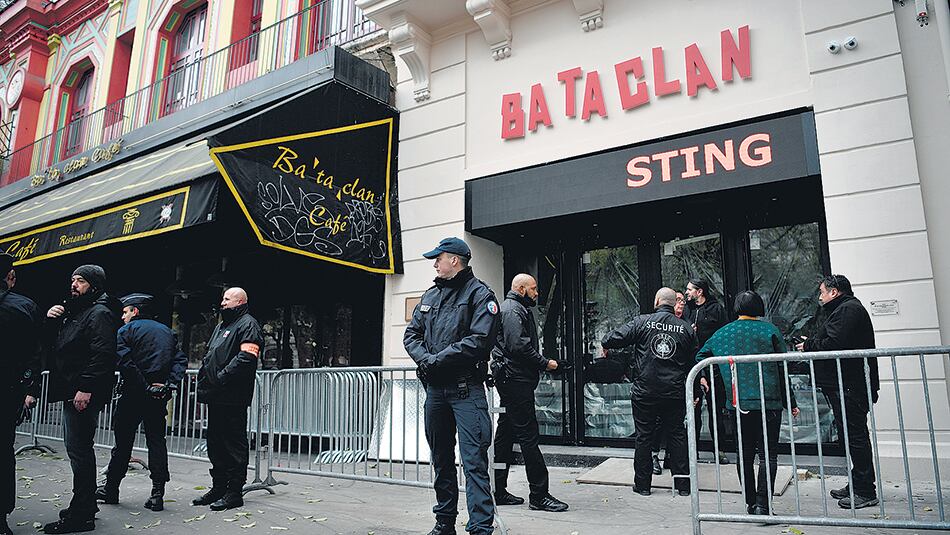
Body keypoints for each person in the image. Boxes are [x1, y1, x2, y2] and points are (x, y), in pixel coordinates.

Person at [404, 237, 500, 535]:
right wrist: (427, 360)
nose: (435, 263)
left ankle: (481, 527)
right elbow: (411, 335)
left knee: (473, 463)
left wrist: (435, 361)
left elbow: (478, 342)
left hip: (466, 390)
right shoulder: (431, 295)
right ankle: (444, 522)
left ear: (455, 260)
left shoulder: (480, 295)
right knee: (441, 461)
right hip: (435, 392)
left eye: (439, 258)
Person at [696, 291, 800, 516]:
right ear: (759, 307)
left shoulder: (722, 333)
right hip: (769, 402)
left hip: (737, 403)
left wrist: (709, 375)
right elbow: (783, 368)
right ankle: (764, 505)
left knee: (743, 455)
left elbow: (700, 355)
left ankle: (750, 503)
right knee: (768, 454)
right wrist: (790, 400)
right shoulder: (770, 330)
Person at [43, 265, 121, 534]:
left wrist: (85, 388)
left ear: (95, 285)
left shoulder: (99, 313)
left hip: (81, 392)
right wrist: (54, 318)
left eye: (81, 281)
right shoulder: (79, 311)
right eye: (72, 279)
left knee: (79, 451)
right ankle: (86, 506)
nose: (74, 284)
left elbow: (102, 354)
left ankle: (82, 513)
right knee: (78, 449)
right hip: (72, 389)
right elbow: (57, 345)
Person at [601, 287, 697, 496]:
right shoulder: (686, 328)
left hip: (646, 390)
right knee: (677, 435)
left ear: (657, 301)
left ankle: (643, 486)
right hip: (674, 391)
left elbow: (613, 338)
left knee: (644, 437)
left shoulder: (642, 322)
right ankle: (683, 486)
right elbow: (693, 362)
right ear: (673, 304)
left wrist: (605, 342)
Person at [96, 294, 187, 511]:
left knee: (123, 444)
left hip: (132, 394)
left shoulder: (126, 331)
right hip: (157, 395)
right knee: (157, 441)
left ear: (135, 311)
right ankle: (157, 494)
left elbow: (124, 362)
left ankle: (111, 489)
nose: (123, 316)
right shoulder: (167, 331)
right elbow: (180, 360)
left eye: (125, 312)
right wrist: (167, 385)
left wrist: (143, 385)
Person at [796, 274, 878, 509]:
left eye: (822, 291)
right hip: (845, 384)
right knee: (852, 436)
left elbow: (834, 342)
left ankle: (865, 489)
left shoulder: (848, 310)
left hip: (849, 385)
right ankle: (858, 483)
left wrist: (808, 345)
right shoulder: (844, 310)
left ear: (834, 291)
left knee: (856, 436)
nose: (820, 297)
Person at [490, 274, 568, 513]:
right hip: (516, 381)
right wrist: (545, 363)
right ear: (521, 289)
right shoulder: (513, 310)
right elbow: (518, 346)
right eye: (533, 289)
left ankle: (498, 490)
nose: (537, 293)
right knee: (528, 437)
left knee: (505, 435)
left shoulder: (514, 308)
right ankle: (539, 495)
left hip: (513, 380)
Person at [193, 288, 262, 511]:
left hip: (232, 395)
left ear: (240, 301)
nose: (222, 302)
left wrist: (221, 377)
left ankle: (234, 492)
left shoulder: (248, 324)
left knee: (233, 443)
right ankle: (219, 487)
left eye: (226, 299)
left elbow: (246, 357)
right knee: (216, 443)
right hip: (216, 394)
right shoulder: (221, 326)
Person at [0, 254, 41, 535]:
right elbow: (35, 355)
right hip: (7, 391)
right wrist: (28, 389)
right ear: (10, 277)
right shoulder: (24, 306)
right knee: (3, 452)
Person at [685, 278, 730, 463]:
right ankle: (692, 451)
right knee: (693, 412)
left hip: (713, 368)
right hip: (692, 367)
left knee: (715, 411)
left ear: (700, 291)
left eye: (690, 289)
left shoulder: (716, 309)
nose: (687, 292)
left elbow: (724, 334)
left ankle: (719, 450)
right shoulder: (687, 310)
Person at [651, 290, 687, 475]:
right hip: (658, 385)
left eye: (683, 300)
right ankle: (655, 457)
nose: (681, 303)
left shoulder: (685, 326)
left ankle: (675, 464)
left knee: (677, 428)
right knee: (658, 425)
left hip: (674, 385)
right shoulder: (654, 322)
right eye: (678, 300)